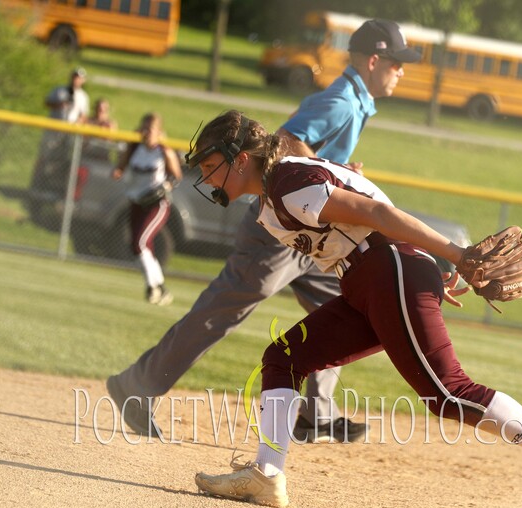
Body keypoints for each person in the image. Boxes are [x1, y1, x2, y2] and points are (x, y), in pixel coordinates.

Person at [189, 110, 522, 508]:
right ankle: (267, 476)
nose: (207, 178)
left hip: (386, 270)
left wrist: (453, 256)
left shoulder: (288, 185)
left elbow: (379, 216)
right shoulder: (280, 187)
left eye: (210, 166)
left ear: (240, 159)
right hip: (369, 281)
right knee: (284, 358)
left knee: (447, 393)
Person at [106, 19, 421, 442]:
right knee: (222, 310)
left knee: (345, 307)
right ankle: (137, 387)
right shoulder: (343, 100)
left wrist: (335, 170)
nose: (401, 71)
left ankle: (317, 415)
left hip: (308, 233)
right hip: (280, 230)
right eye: (397, 63)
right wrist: (332, 172)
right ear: (374, 60)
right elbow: (287, 141)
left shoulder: (354, 101)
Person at [112, 113, 182, 305]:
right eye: (143, 128)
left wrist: (166, 186)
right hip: (136, 202)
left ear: (159, 132)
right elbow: (120, 166)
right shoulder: (134, 147)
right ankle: (161, 288)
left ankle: (152, 287)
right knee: (141, 248)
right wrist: (118, 171)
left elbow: (176, 175)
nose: (145, 133)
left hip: (156, 203)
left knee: (140, 242)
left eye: (150, 129)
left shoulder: (163, 151)